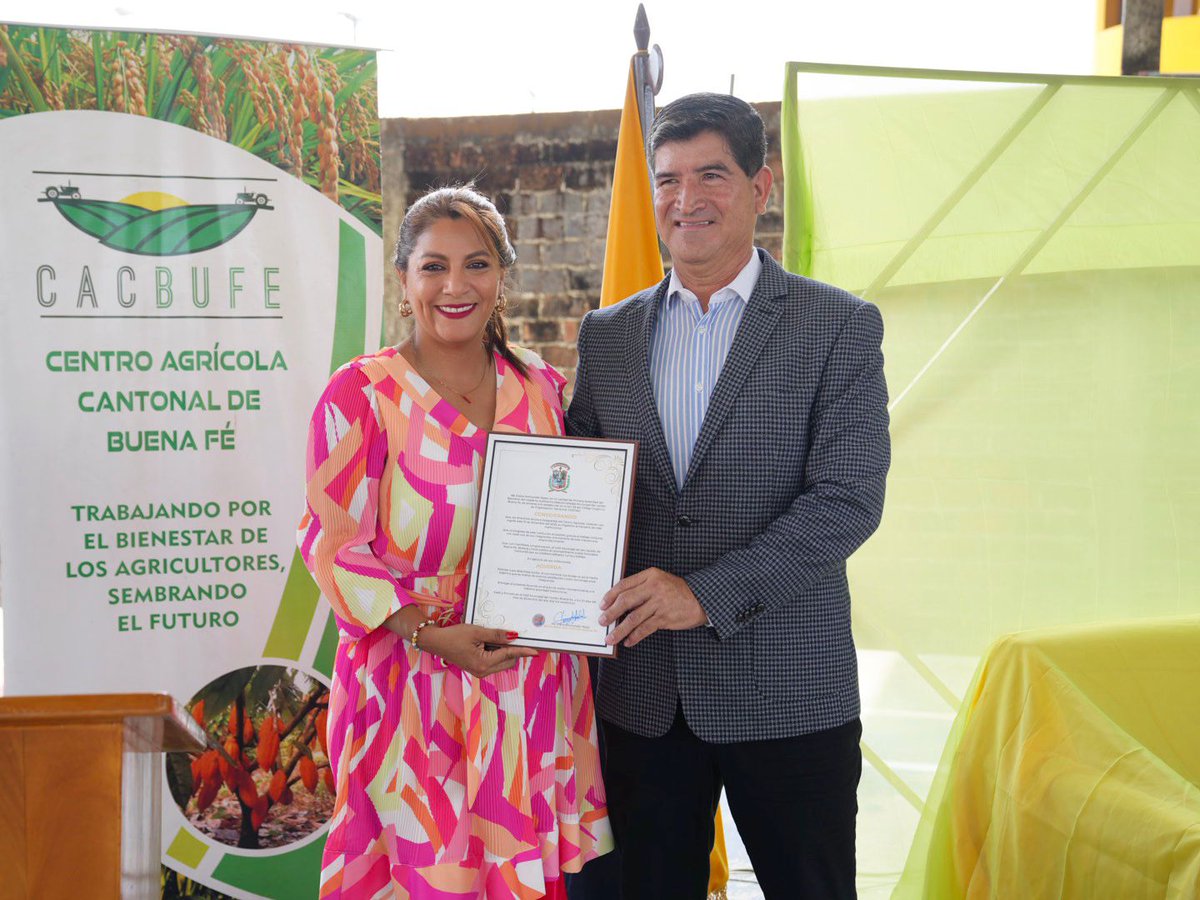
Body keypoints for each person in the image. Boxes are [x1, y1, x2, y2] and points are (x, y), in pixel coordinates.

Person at [565, 93, 890, 899]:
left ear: (760, 186)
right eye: (668, 179)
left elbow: (847, 500)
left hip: (790, 694)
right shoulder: (607, 335)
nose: (686, 199)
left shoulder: (838, 326)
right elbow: (581, 494)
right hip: (641, 699)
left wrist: (703, 595)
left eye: (712, 175)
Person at [298, 185, 612, 900]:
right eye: (434, 267)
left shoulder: (542, 387)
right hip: (409, 685)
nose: (455, 286)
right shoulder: (360, 395)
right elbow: (332, 542)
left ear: (502, 276)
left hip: (524, 685)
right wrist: (428, 632)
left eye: (476, 264)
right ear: (404, 279)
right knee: (422, 878)